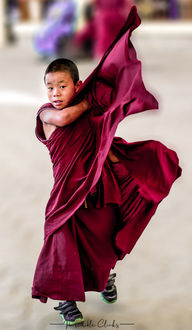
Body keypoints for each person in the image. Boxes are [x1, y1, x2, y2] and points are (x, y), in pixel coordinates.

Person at [32, 6, 181, 326]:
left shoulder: (92, 118)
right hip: (66, 195)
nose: (55, 93)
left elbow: (104, 149)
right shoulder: (47, 114)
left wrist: (132, 176)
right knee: (60, 243)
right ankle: (66, 303)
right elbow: (63, 117)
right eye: (50, 87)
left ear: (77, 84)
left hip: (98, 190)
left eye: (62, 86)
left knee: (99, 242)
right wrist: (89, 101)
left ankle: (105, 278)